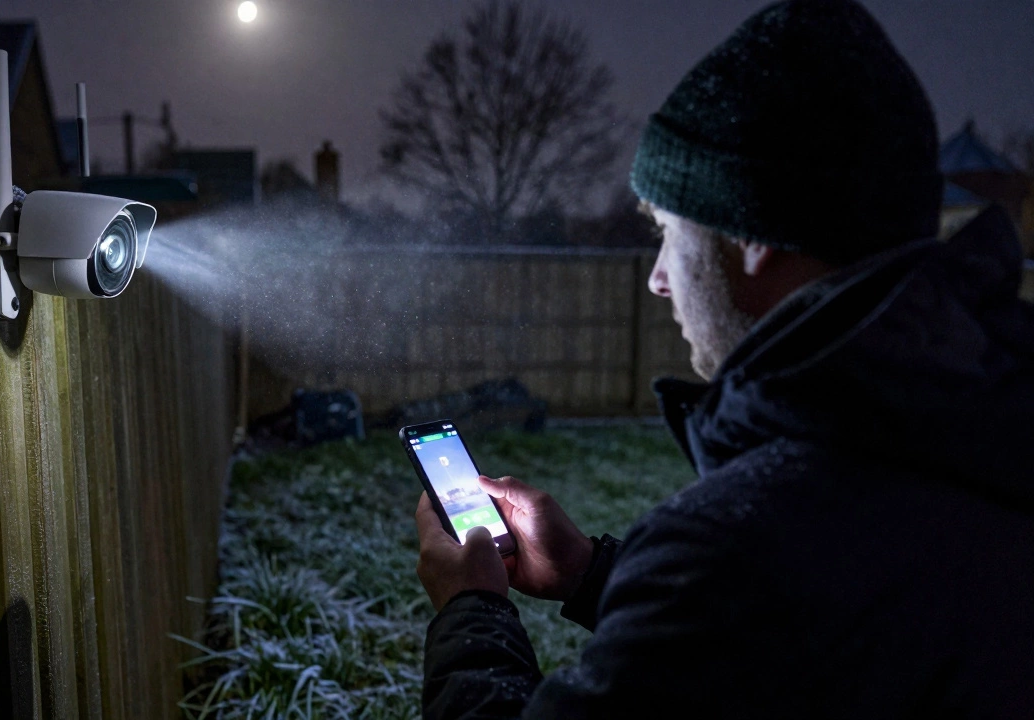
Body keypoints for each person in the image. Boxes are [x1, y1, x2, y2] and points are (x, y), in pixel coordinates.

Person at [413, 0, 1034, 717]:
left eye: (670, 230)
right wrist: (591, 574)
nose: (657, 276)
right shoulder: (985, 443)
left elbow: (752, 600)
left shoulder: (734, 557)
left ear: (753, 237)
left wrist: (471, 609)